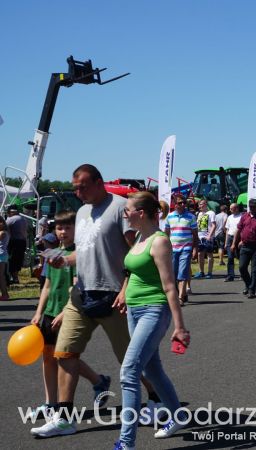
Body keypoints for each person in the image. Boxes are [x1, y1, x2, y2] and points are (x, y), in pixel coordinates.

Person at [31, 164, 158, 438]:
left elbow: (138, 250)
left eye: (83, 186)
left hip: (114, 296)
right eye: (75, 187)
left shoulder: (121, 207)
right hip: (82, 295)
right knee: (65, 352)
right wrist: (64, 259)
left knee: (131, 359)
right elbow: (86, 250)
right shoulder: (83, 212)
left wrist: (126, 287)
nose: (78, 192)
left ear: (99, 183)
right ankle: (65, 418)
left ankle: (156, 399)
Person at [112, 191, 191, 448]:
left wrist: (179, 326)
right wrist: (124, 293)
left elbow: (170, 287)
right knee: (151, 369)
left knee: (129, 370)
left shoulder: (159, 241)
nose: (125, 214)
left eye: (128, 210)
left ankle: (126, 442)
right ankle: (178, 415)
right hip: (134, 309)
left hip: (154, 310)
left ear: (141, 213)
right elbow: (132, 271)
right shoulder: (138, 237)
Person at [29, 211, 110, 421]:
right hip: (48, 313)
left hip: (68, 312)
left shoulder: (78, 254)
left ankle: (98, 381)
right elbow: (46, 286)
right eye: (59, 228)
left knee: (64, 357)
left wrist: (65, 312)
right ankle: (50, 403)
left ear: (77, 230)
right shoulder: (52, 253)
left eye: (68, 228)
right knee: (48, 357)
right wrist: (38, 313)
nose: (63, 232)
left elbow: (77, 287)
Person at [164, 195, 198, 305]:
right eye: (180, 203)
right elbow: (166, 234)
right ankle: (183, 293)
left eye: (184, 202)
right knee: (173, 274)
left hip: (186, 248)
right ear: (175, 204)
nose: (183, 204)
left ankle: (179, 298)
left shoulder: (191, 217)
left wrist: (195, 249)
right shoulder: (169, 217)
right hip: (173, 249)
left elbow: (195, 235)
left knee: (182, 273)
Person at [233, 198, 256, 298]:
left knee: (254, 270)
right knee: (242, 267)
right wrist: (234, 243)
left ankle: (252, 290)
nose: (252, 208)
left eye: (254, 207)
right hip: (244, 245)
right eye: (251, 206)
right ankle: (248, 285)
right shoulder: (244, 217)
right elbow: (238, 230)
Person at [5, 204, 28, 284]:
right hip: (23, 241)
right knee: (19, 259)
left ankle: (13, 278)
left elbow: (4, 228)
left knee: (12, 259)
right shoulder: (23, 219)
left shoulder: (11, 219)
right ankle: (16, 277)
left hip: (14, 242)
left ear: (11, 212)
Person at [193, 200, 216, 279]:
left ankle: (209, 272)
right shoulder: (199, 214)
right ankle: (201, 272)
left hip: (208, 237)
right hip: (200, 237)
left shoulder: (211, 213)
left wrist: (210, 235)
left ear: (206, 204)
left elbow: (214, 225)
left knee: (209, 254)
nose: (200, 206)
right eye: (199, 204)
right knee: (200, 254)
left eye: (201, 204)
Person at [223, 203, 242, 282]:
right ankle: (230, 275)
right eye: (230, 208)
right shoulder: (229, 217)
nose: (230, 210)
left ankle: (243, 274)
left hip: (239, 237)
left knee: (240, 257)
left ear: (236, 209)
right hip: (230, 238)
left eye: (231, 208)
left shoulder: (242, 216)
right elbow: (227, 230)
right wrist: (226, 242)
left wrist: (242, 240)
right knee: (230, 258)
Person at [0, 216, 9, 300]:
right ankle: (4, 293)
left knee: (1, 276)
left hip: (1, 255)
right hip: (2, 255)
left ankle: (5, 294)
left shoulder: (2, 233)